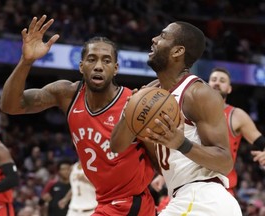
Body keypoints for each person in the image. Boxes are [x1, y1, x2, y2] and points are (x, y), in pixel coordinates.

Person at [0, 15, 156, 216]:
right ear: (81, 66)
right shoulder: (67, 94)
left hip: (129, 203)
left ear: (115, 68)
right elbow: (11, 106)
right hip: (106, 202)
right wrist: (26, 61)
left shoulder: (133, 103)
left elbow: (157, 157)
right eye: (92, 59)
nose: (98, 66)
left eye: (106, 60)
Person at [110, 21, 242, 215]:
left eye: (162, 36)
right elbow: (116, 146)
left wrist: (182, 144)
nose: (154, 39)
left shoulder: (198, 93)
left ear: (177, 51)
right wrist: (129, 114)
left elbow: (225, 162)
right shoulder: (149, 94)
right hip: (184, 197)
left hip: (203, 198)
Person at [208, 67, 265, 195]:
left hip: (221, 189)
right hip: (190, 185)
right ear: (207, 85)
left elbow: (261, 142)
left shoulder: (236, 115)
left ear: (229, 88)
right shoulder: (192, 111)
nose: (217, 83)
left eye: (222, 80)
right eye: (214, 79)